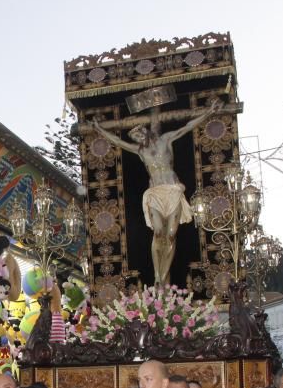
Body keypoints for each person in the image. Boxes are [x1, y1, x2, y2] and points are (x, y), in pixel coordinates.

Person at [92, 100, 219, 285]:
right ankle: (158, 277)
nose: (137, 137)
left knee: (170, 235)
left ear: (146, 130)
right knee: (158, 232)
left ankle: (164, 274)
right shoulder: (140, 151)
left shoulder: (165, 140)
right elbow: (117, 141)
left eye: (139, 132)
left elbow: (187, 127)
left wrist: (209, 112)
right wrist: (98, 128)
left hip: (173, 191)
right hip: (155, 194)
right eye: (134, 136)